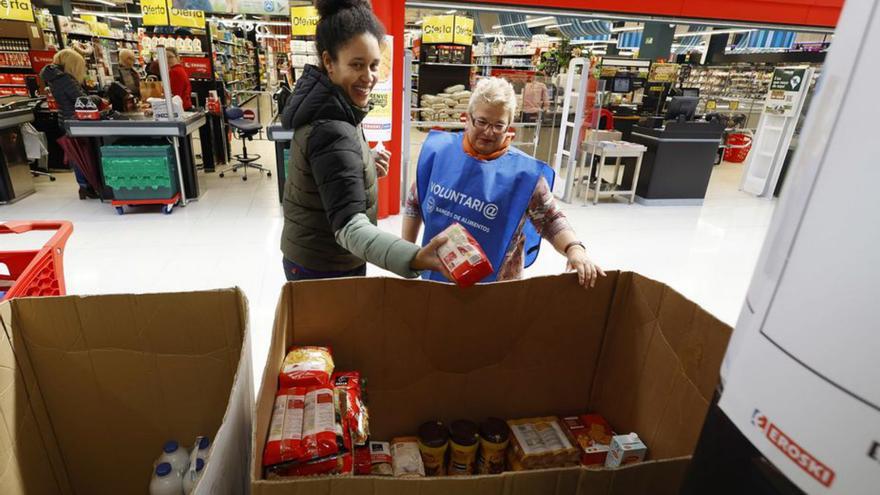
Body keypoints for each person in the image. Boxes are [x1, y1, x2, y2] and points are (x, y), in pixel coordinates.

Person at [278, 0, 448, 281]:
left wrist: (362, 164)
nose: (368, 77)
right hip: (325, 264)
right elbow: (349, 226)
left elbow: (328, 175)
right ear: (329, 62)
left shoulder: (332, 105)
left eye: (373, 65)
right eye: (357, 65)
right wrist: (414, 257)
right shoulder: (331, 125)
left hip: (315, 252)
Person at [403, 77, 606, 288]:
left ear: (509, 126)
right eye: (481, 122)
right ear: (467, 118)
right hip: (438, 279)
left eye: (498, 125)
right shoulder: (440, 155)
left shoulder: (525, 176)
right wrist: (408, 255)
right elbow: (414, 202)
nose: (489, 132)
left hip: (499, 288)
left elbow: (549, 218)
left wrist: (575, 249)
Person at [40, 48, 102, 199]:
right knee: (81, 154)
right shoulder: (65, 79)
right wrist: (98, 99)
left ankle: (85, 185)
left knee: (77, 154)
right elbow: (81, 101)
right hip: (75, 121)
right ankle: (85, 186)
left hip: (67, 119)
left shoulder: (55, 78)